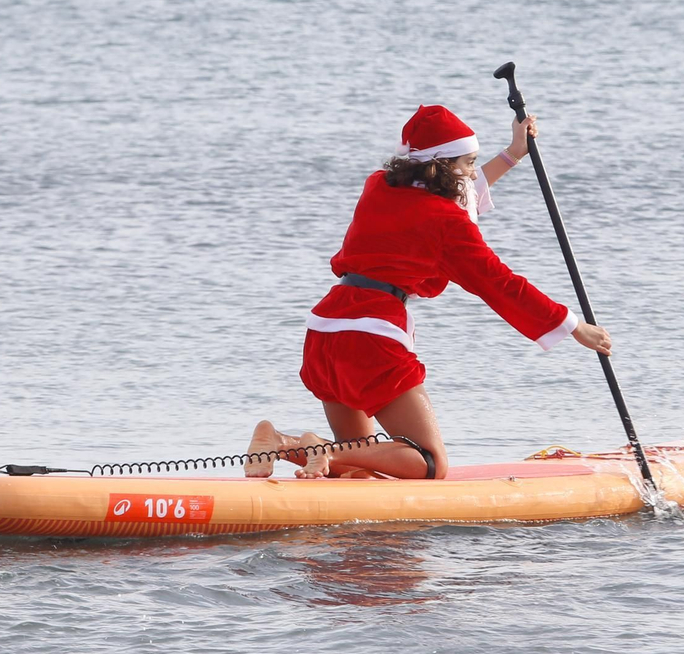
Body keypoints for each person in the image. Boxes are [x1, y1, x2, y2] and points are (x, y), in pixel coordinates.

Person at [246, 104, 612, 480]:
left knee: (359, 463)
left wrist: (513, 153)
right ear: (442, 166)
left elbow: (456, 195)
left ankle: (281, 440)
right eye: (468, 162)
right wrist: (571, 325)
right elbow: (498, 283)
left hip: (325, 331)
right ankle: (303, 447)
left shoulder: (379, 186)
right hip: (372, 337)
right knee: (428, 463)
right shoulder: (446, 223)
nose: (472, 172)